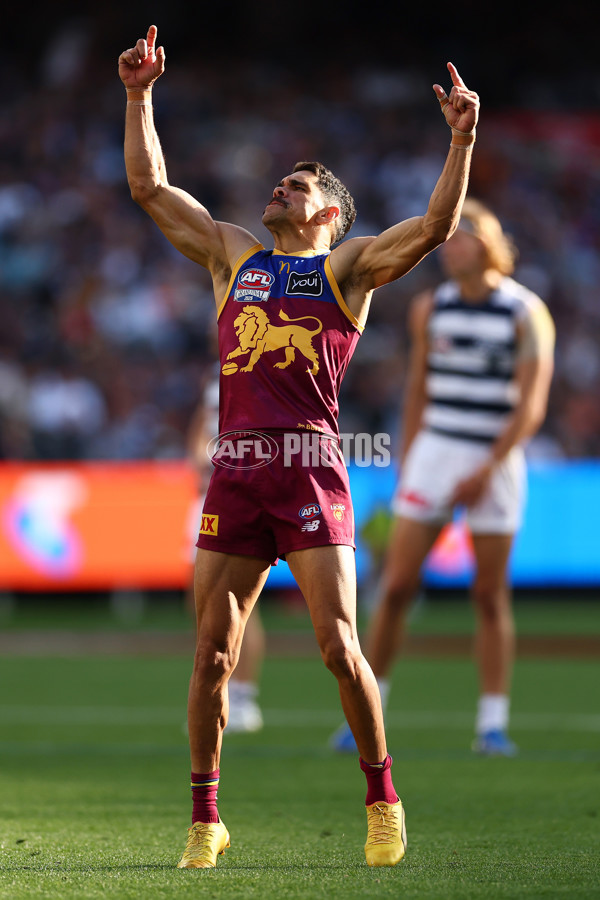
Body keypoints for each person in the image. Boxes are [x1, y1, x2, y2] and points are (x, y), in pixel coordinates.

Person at [118, 24, 479, 869]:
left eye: (299, 183)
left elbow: (432, 227)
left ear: (329, 212)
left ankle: (382, 796)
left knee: (337, 647)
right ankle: (206, 818)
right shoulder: (231, 255)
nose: (280, 186)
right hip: (238, 469)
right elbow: (148, 186)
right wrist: (138, 96)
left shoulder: (346, 269)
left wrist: (461, 140)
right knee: (211, 654)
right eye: (282, 179)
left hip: (310, 469)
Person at [332, 198, 555, 756]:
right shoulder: (431, 307)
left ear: (487, 243)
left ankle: (492, 723)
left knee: (488, 594)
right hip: (437, 451)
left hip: (495, 459)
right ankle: (368, 709)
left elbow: (530, 407)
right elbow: (417, 390)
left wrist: (487, 467)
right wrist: (410, 458)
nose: (448, 249)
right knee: (398, 584)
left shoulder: (525, 311)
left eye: (460, 238)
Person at [185, 369, 266, 734]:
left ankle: (245, 696)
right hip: (211, 490)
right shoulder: (217, 375)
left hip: (243, 487)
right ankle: (214, 692)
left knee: (242, 603)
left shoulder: (266, 368)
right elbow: (203, 425)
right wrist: (200, 459)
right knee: (200, 596)